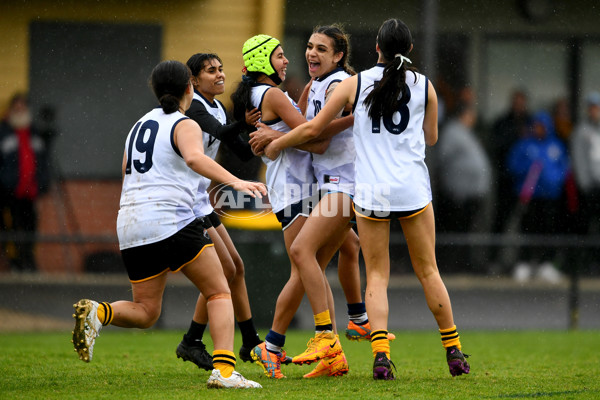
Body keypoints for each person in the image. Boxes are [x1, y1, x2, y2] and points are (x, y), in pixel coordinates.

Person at [262, 18, 470, 380]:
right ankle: (453, 351)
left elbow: (313, 129)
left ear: (376, 48)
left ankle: (380, 356)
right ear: (407, 50)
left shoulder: (355, 84)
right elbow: (432, 138)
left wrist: (276, 142)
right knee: (428, 270)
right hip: (411, 189)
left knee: (376, 275)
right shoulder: (425, 86)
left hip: (372, 190)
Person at [71, 60, 264, 389]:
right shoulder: (184, 122)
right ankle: (225, 373)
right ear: (190, 87)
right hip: (170, 219)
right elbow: (193, 158)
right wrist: (237, 182)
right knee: (219, 290)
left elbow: (126, 172)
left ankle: (98, 313)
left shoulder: (138, 125)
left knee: (146, 312)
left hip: (131, 224)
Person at [248, 25, 392, 380]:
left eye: (321, 50)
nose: (311, 54)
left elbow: (317, 136)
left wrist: (276, 139)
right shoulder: (318, 85)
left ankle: (315, 338)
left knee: (302, 255)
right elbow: (308, 124)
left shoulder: (337, 83)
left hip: (345, 183)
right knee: (335, 253)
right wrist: (275, 130)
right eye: (309, 47)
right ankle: (348, 332)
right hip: (325, 186)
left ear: (339, 56)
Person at [230, 33, 355, 379]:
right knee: (304, 267)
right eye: (280, 56)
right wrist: (358, 118)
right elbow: (316, 138)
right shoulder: (270, 94)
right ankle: (280, 345)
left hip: (295, 190)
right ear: (262, 62)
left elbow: (302, 124)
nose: (288, 61)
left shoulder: (266, 94)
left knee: (315, 265)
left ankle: (331, 349)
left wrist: (275, 135)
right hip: (295, 191)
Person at [174, 52, 263, 372]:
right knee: (225, 271)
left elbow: (238, 148)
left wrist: (272, 141)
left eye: (221, 69)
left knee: (235, 267)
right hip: (184, 201)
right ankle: (199, 340)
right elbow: (221, 131)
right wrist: (245, 122)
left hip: (200, 199)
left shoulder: (218, 106)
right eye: (210, 71)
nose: (219, 74)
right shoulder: (195, 104)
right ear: (194, 81)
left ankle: (245, 340)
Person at [506, 110, 569, 283]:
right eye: (537, 126)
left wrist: (553, 180)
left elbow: (564, 169)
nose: (539, 129)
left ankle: (545, 264)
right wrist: (529, 168)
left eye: (542, 126)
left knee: (548, 230)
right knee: (527, 228)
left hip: (550, 196)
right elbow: (512, 166)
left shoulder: (556, 146)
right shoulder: (524, 145)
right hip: (529, 196)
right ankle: (524, 263)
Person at [436, 102, 492, 272]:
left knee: (468, 230)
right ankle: (455, 264)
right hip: (459, 194)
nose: (473, 118)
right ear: (464, 114)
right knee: (458, 230)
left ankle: (465, 262)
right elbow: (442, 158)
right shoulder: (453, 131)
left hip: (472, 193)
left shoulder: (465, 132)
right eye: (471, 114)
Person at [0, 93, 51, 272]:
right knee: (11, 229)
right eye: (17, 108)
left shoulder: (34, 134)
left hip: (31, 193)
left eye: (23, 107)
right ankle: (15, 262)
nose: (20, 111)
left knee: (30, 228)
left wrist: (43, 184)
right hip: (9, 193)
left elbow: (43, 162)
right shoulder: (4, 133)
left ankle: (28, 261)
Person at [570, 92, 600, 271]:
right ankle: (583, 263)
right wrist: (585, 185)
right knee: (585, 226)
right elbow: (580, 161)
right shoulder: (582, 131)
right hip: (589, 188)